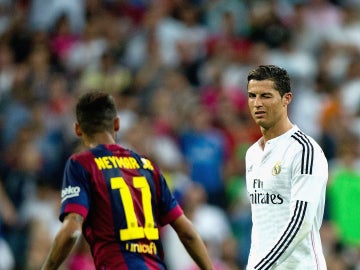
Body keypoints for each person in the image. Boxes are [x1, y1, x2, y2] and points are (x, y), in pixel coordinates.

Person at [41, 91, 214, 270]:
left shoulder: (82, 164)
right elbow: (187, 232)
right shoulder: (148, 167)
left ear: (77, 129)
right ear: (117, 124)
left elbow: (71, 231)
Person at [245, 65, 328, 269]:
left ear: (286, 98)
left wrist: (261, 266)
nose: (257, 104)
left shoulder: (304, 151)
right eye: (252, 95)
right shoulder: (252, 154)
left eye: (266, 96)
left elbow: (301, 223)